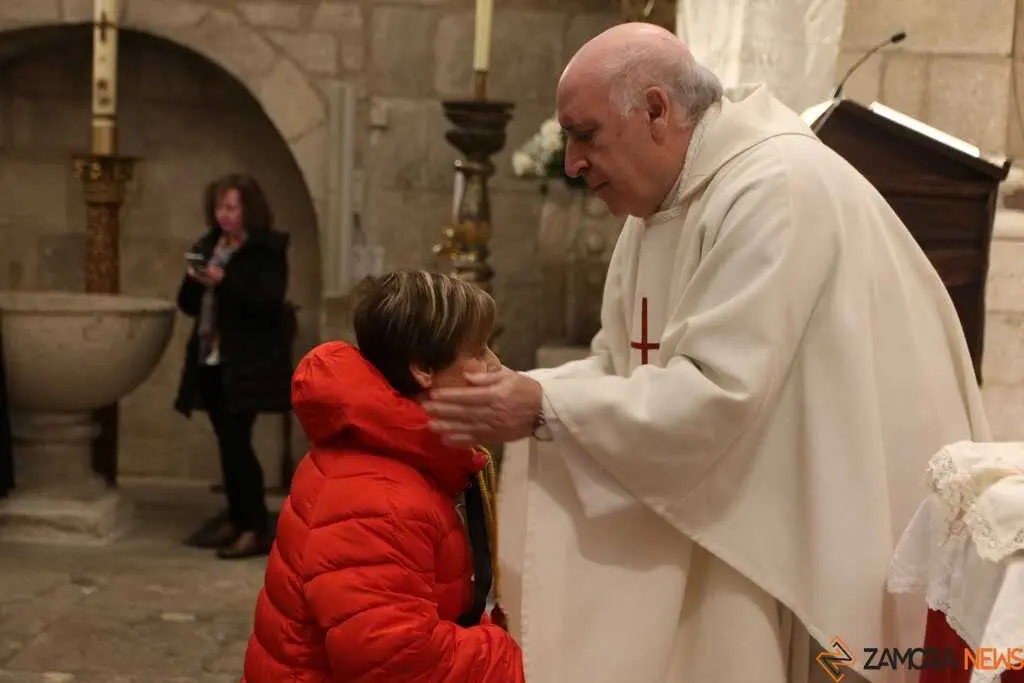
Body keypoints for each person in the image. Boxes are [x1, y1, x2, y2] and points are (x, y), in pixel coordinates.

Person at [422, 23, 990, 683]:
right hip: (770, 508)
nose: (573, 163)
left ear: (657, 110)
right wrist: (524, 388)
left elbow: (719, 394)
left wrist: (543, 405)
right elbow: (622, 370)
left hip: (837, 516)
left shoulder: (773, 187)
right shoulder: (657, 213)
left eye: (586, 134)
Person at [241, 270, 524, 683]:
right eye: (478, 352)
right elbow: (398, 663)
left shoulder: (389, 454)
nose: (496, 364)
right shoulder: (381, 498)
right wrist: (516, 653)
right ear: (423, 368)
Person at [174, 173, 293, 560]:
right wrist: (196, 280)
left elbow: (267, 302)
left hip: (246, 361)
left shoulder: (266, 251)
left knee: (238, 442)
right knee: (226, 441)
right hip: (210, 358)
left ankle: (254, 526)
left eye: (230, 207)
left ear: (249, 210)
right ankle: (237, 518)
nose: (222, 215)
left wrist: (224, 282)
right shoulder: (211, 245)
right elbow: (188, 305)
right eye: (218, 207)